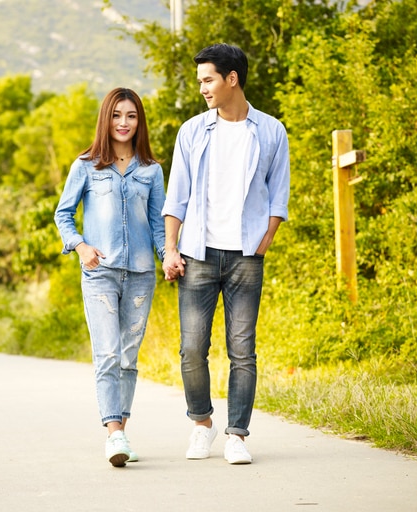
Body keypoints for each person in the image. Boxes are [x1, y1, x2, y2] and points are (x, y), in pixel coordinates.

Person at [161, 43, 290, 464]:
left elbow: (278, 196)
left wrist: (263, 241)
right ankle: (202, 424)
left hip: (244, 257)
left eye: (208, 79)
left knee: (242, 348)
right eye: (200, 80)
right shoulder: (192, 131)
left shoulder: (271, 131)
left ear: (231, 78)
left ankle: (237, 434)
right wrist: (171, 249)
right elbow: (176, 196)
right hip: (197, 253)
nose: (202, 88)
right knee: (192, 348)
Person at [54, 88, 166, 467]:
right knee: (107, 354)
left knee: (129, 358)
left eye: (131, 116)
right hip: (99, 274)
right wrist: (81, 247)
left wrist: (168, 256)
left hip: (140, 275)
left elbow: (158, 223)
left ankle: (122, 430)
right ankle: (114, 435)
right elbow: (63, 214)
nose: (123, 122)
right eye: (117, 115)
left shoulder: (151, 170)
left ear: (139, 121)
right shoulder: (86, 165)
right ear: (106, 118)